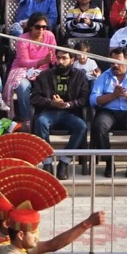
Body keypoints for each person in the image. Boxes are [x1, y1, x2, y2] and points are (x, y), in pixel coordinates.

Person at [30, 48, 92, 179]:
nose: (60, 61)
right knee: (40, 122)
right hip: (49, 111)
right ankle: (47, 162)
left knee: (82, 126)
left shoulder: (80, 76)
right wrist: (51, 103)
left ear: (72, 60)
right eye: (58, 58)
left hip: (70, 113)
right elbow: (35, 98)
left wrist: (68, 104)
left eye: (64, 58)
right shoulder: (44, 75)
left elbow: (84, 99)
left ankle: (64, 162)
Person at [90, 47, 127, 177]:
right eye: (112, 62)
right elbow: (93, 100)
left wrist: (126, 95)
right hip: (108, 112)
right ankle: (109, 163)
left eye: (118, 61)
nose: (115, 65)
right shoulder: (104, 77)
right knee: (99, 125)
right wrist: (112, 96)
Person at [5, 13, 57, 125]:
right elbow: (23, 61)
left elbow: (53, 58)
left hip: (43, 71)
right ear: (31, 27)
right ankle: (26, 119)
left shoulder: (50, 36)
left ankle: (45, 117)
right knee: (23, 86)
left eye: (44, 27)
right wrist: (42, 61)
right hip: (22, 69)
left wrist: (56, 61)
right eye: (38, 27)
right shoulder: (22, 39)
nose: (41, 30)